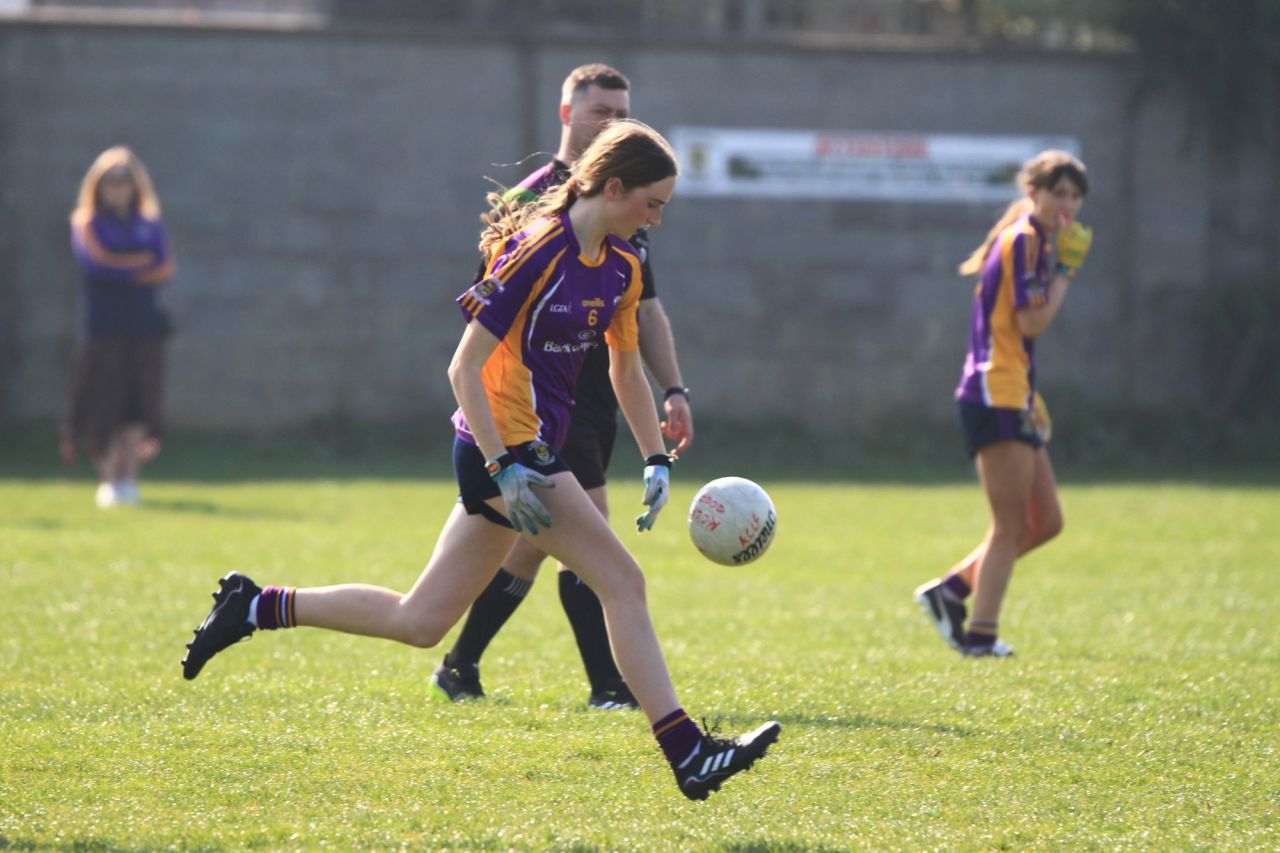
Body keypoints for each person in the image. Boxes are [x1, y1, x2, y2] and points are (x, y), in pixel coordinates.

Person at [180, 120, 780, 800]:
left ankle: (255, 605)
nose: (658, 219)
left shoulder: (622, 264)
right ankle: (687, 750)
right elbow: (462, 367)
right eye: (653, 203)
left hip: (530, 450)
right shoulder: (537, 252)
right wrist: (503, 465)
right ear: (613, 188)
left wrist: (654, 457)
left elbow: (624, 365)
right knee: (623, 581)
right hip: (503, 447)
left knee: (421, 619)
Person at [430, 63, 694, 710]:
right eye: (600, 110)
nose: (612, 121)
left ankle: (461, 661)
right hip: (532, 401)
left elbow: (641, 314)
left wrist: (674, 391)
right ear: (566, 114)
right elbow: (486, 333)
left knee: (529, 548)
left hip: (592, 392)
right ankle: (611, 686)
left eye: (622, 111)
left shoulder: (634, 207)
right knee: (599, 550)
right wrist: (501, 447)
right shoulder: (533, 208)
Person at [913, 150, 1092, 657]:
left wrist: (1030, 393)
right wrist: (1067, 270)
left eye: (1076, 196)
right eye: (1059, 192)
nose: (1068, 204)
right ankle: (980, 636)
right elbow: (1032, 323)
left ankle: (951, 592)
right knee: (1011, 523)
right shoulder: (1027, 241)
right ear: (1033, 192)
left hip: (1013, 392)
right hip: (995, 393)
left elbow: (1016, 334)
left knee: (1045, 521)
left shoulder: (1032, 239)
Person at [62, 146, 176, 508]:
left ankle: (129, 477)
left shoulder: (149, 224)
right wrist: (137, 264)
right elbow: (99, 264)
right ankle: (109, 477)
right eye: (111, 181)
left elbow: (164, 267)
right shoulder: (88, 223)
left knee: (138, 403)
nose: (118, 188)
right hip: (103, 325)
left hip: (143, 323)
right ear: (99, 185)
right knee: (104, 402)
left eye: (124, 181)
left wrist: (127, 266)